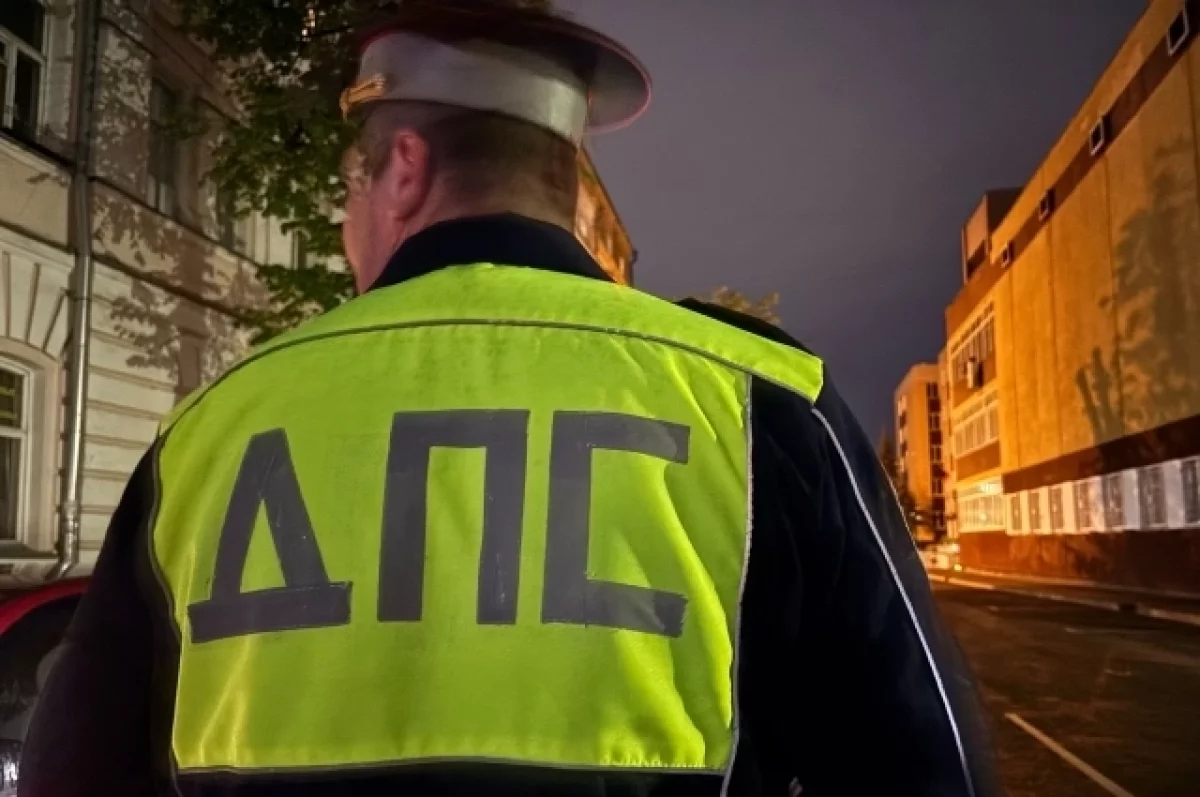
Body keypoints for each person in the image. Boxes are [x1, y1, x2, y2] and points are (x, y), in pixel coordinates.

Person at [21, 1, 1001, 795]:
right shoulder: (762, 402)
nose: (346, 221)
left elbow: (76, 770)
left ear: (404, 171)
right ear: (565, 192)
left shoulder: (213, 429)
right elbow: (927, 771)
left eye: (350, 186)